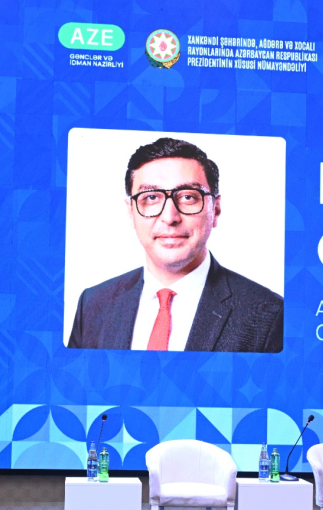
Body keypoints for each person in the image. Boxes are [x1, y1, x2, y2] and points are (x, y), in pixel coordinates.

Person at [68, 137, 283, 353]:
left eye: (188, 197)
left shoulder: (269, 314)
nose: (169, 217)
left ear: (215, 210)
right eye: (151, 197)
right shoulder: (93, 305)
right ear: (131, 211)